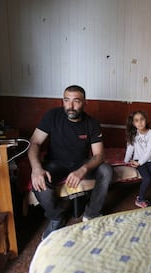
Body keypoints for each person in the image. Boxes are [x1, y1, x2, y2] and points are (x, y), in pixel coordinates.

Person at [28, 85, 112, 239]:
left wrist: (83, 169)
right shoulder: (52, 116)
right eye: (67, 100)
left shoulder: (91, 123)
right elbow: (34, 143)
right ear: (63, 101)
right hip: (55, 163)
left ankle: (92, 213)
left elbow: (99, 155)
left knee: (106, 170)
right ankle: (56, 217)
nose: (71, 106)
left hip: (80, 163)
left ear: (85, 103)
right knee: (39, 181)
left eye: (76, 101)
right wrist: (36, 168)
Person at [124, 110, 151, 207]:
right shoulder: (134, 134)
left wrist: (140, 163)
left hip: (149, 160)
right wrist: (126, 160)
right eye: (136, 120)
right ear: (133, 123)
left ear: (146, 120)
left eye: (142, 119)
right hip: (138, 160)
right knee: (147, 179)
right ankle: (140, 199)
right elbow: (130, 148)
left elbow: (149, 151)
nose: (140, 122)